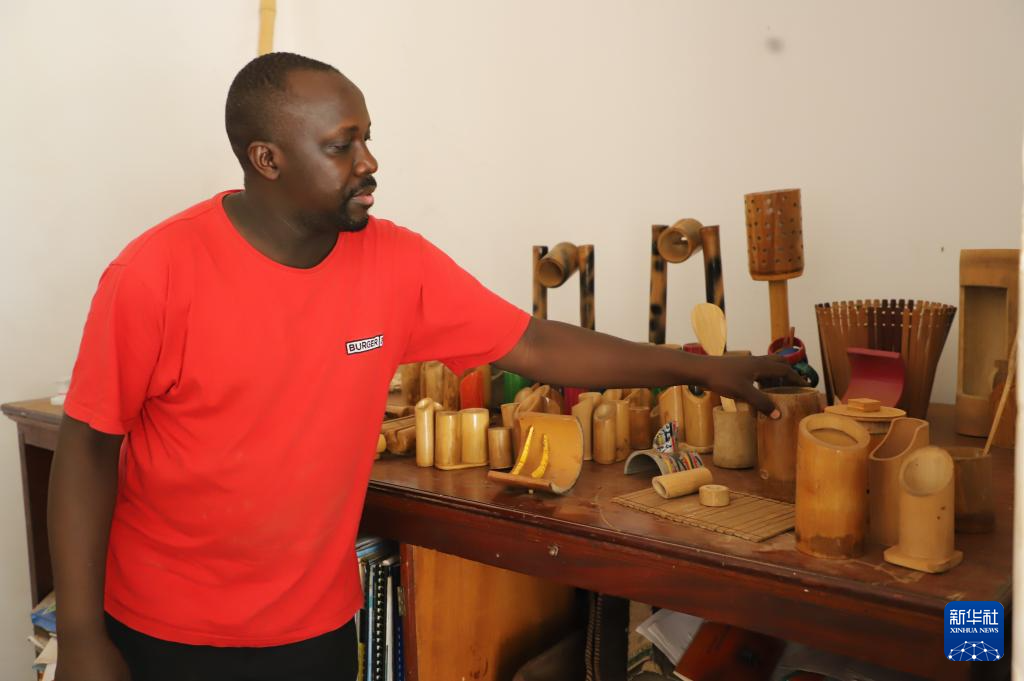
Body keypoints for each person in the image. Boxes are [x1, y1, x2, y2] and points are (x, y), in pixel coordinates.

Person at [50, 52, 801, 681]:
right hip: (165, 631)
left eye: (368, 139)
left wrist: (696, 368)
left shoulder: (394, 263)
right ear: (267, 159)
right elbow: (87, 448)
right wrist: (83, 635)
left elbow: (532, 342)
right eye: (342, 145)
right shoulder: (155, 274)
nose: (370, 162)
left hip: (312, 631)